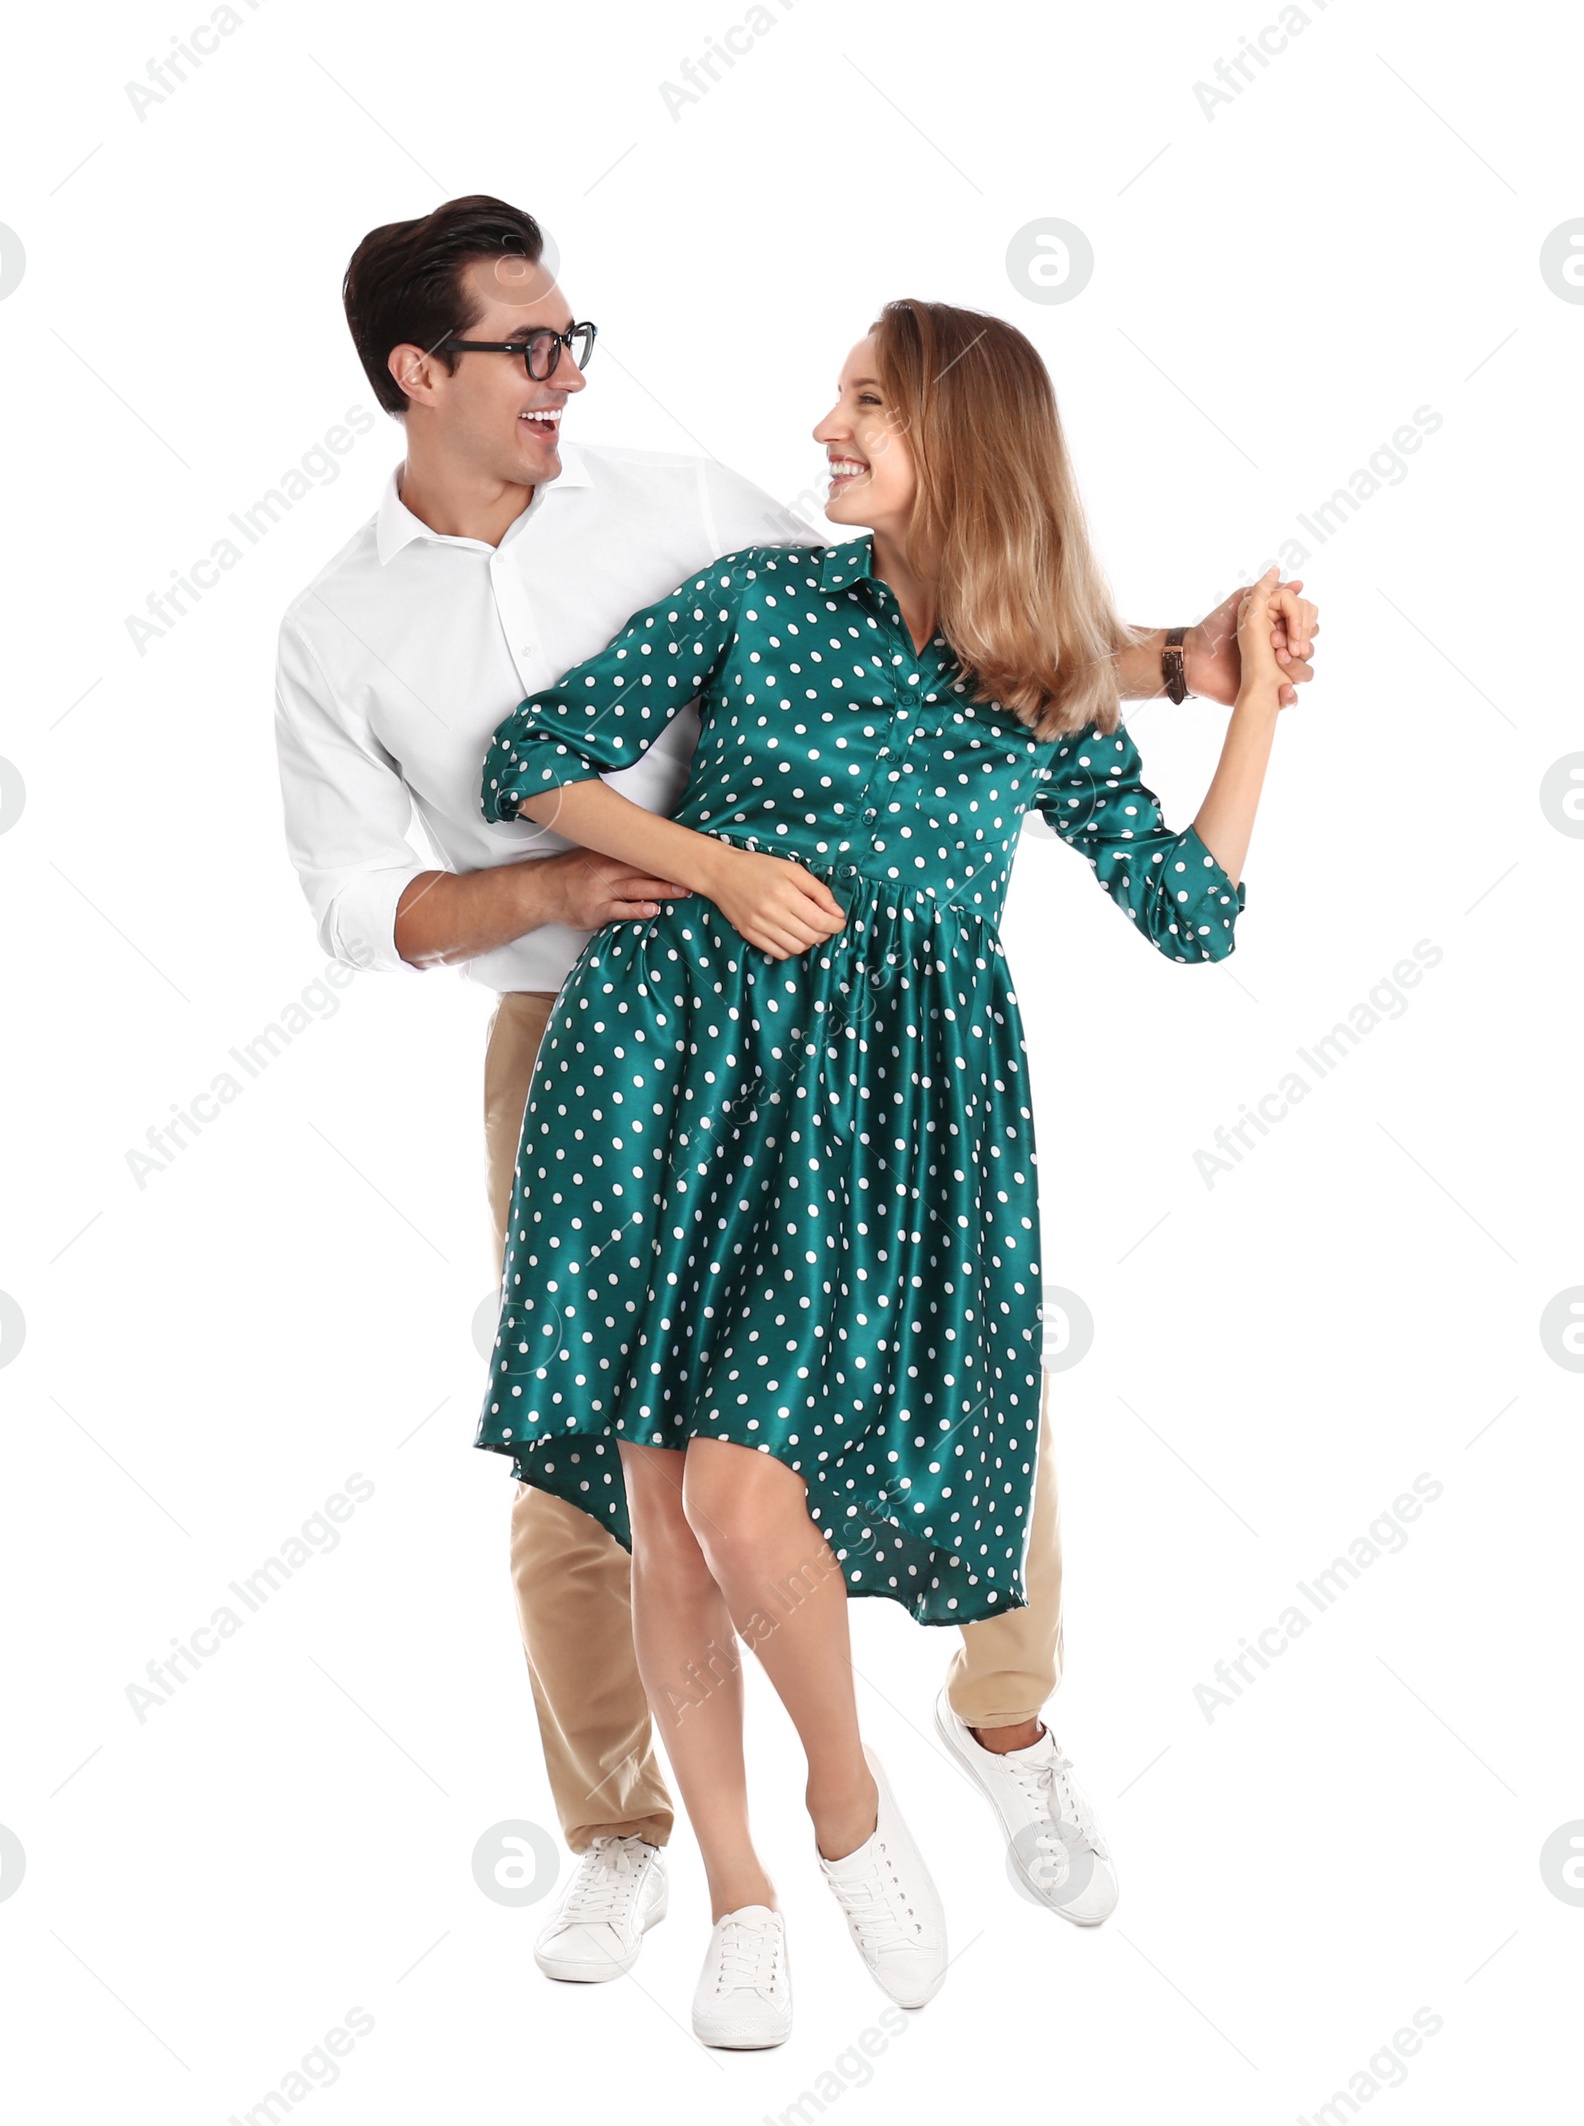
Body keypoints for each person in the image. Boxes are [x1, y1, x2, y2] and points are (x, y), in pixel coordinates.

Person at [272, 197, 1317, 2017]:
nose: (566, 376)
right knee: (612, 1476)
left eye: (571, 341)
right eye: (532, 348)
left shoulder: (689, 513)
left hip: (890, 1086)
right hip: (612, 1040)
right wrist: (630, 882)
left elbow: (999, 636)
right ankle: (653, 1841)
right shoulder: (343, 626)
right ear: (415, 374)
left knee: (946, 1393)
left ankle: (992, 1724)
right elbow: (373, 898)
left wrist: (1214, 674)